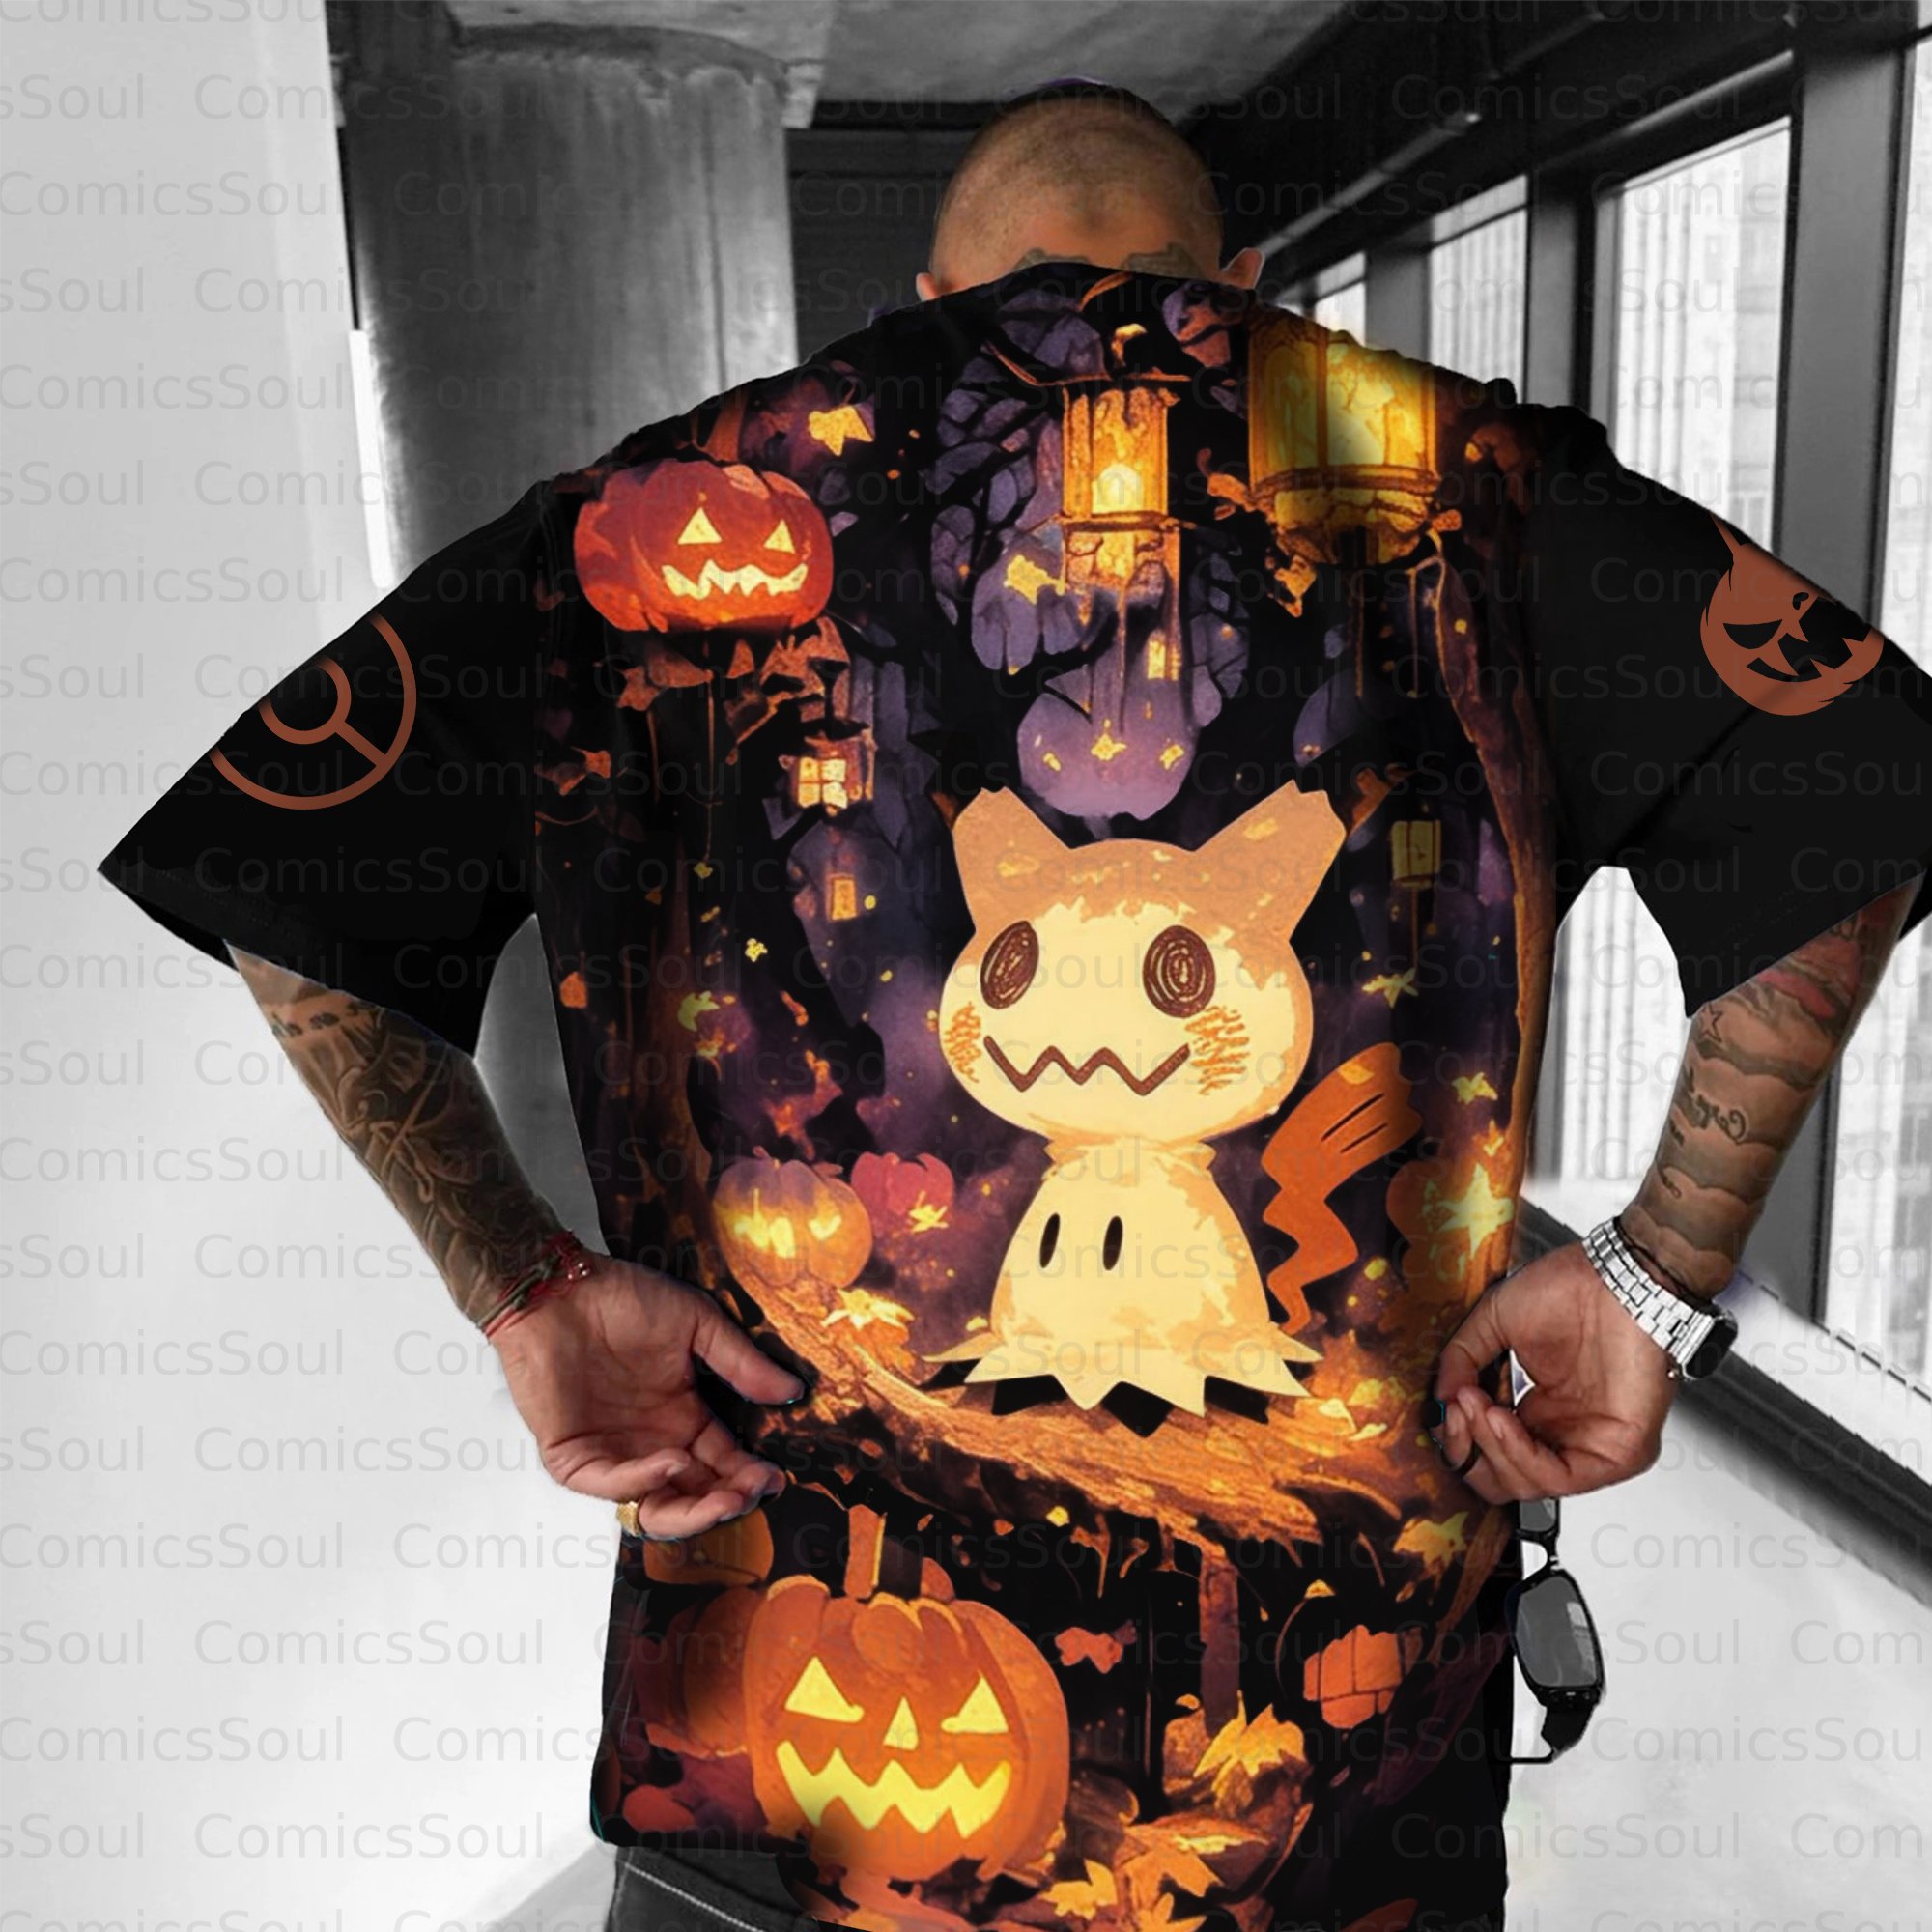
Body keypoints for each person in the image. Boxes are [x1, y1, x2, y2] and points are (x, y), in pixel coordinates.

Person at [95, 77, 1931, 1932]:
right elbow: (1853, 794)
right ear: (1245, 277)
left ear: (923, 296)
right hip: (1332, 1796)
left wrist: (523, 1290)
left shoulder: (657, 522)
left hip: (798, 1779)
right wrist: (1653, 1278)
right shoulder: (1468, 488)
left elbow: (291, 880)